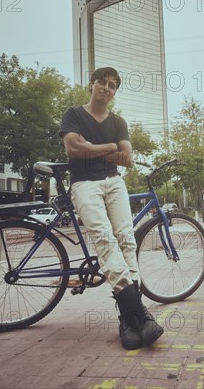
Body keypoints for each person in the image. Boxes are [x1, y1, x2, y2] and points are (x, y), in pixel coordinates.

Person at [59, 67, 163, 350]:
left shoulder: (118, 121)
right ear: (91, 85)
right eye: (103, 83)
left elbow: (126, 157)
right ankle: (137, 316)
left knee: (126, 240)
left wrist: (91, 146)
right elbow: (72, 149)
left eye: (113, 85)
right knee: (105, 240)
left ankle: (128, 321)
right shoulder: (74, 114)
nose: (107, 88)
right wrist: (109, 148)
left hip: (114, 182)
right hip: (84, 184)